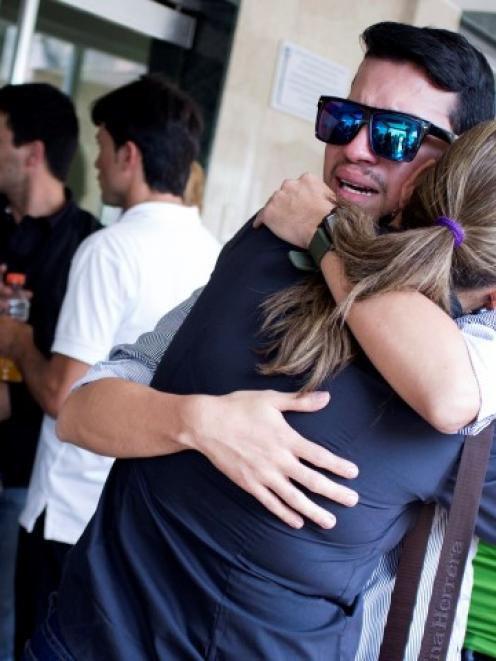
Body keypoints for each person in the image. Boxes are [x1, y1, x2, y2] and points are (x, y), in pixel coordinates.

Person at [49, 22, 496, 657]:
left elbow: (452, 393)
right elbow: (83, 406)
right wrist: (197, 422)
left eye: (394, 133)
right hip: (86, 636)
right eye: (343, 118)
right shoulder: (266, 246)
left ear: (454, 159)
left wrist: (323, 227)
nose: (356, 148)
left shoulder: (470, 342)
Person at [0, 74, 220, 654]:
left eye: (100, 145)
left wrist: (17, 340)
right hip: (137, 525)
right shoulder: (215, 252)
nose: (93, 164)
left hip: (67, 512)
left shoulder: (109, 249)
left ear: (129, 154)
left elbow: (61, 397)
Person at [0, 83, 100, 661]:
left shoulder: (87, 246)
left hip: (22, 476)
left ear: (31, 152)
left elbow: (75, 382)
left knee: (9, 618)